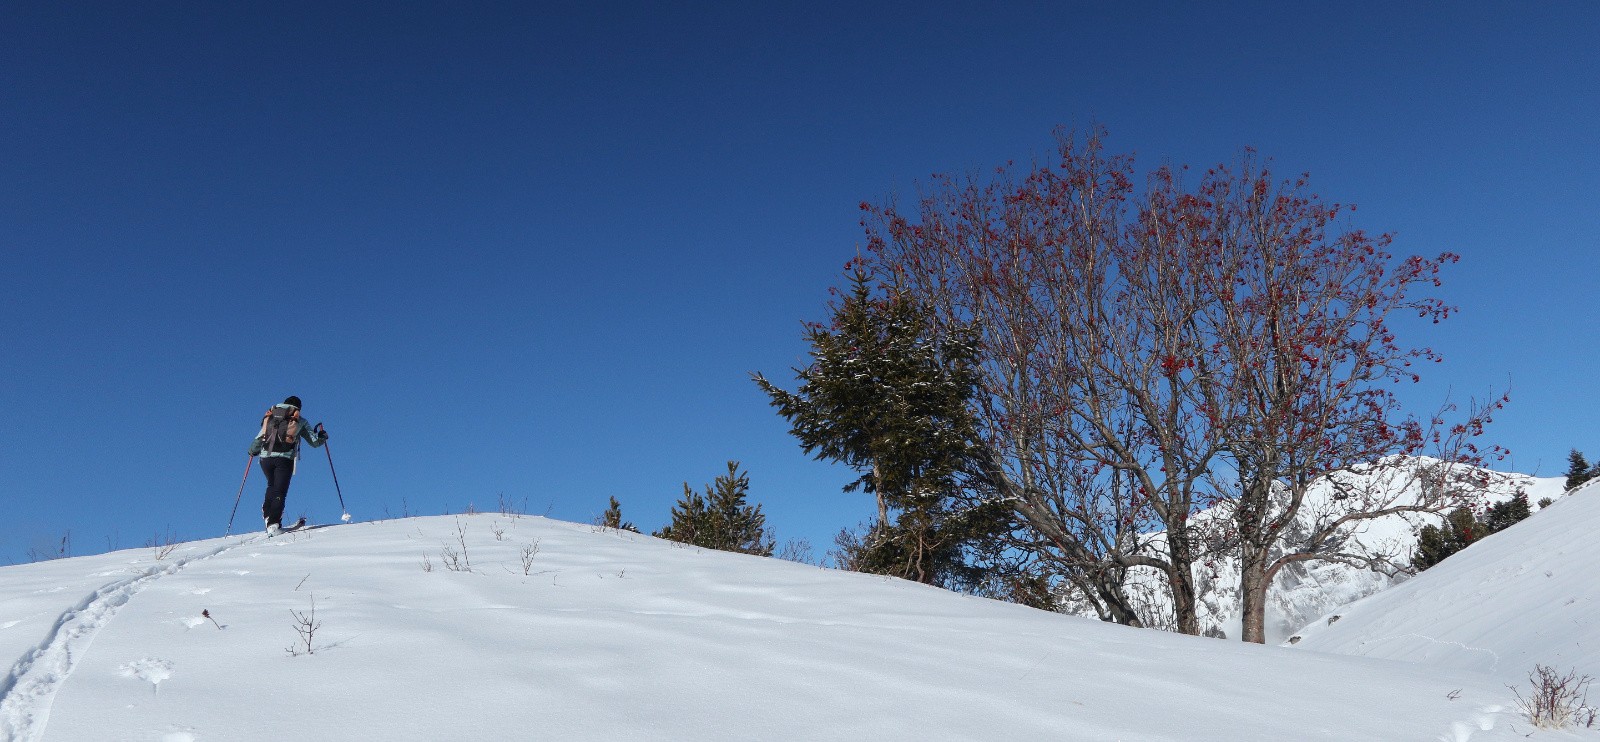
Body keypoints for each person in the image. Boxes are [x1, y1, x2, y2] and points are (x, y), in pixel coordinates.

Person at [248, 395, 328, 534]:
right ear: (299, 408)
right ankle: (273, 524)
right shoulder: (299, 421)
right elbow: (314, 442)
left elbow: (260, 437)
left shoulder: (271, 416)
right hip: (284, 460)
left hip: (265, 459)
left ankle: (268, 514)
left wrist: (252, 451)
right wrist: (322, 436)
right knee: (280, 491)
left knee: (271, 485)